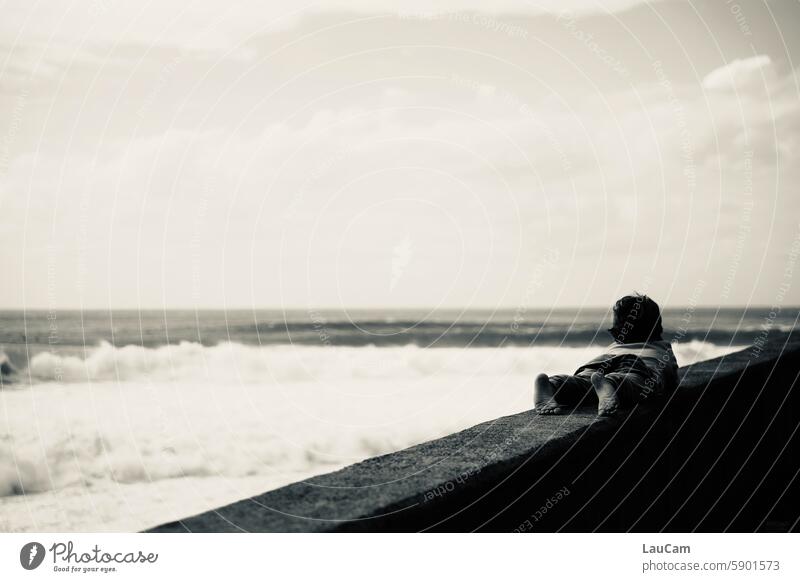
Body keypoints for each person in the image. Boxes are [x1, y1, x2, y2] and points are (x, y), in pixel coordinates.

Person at [534, 294, 679, 416]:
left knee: (584, 383)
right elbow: (671, 378)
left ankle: (553, 385)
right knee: (633, 382)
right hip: (637, 364)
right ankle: (610, 384)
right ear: (658, 327)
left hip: (601, 361)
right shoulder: (662, 348)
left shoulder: (613, 346)